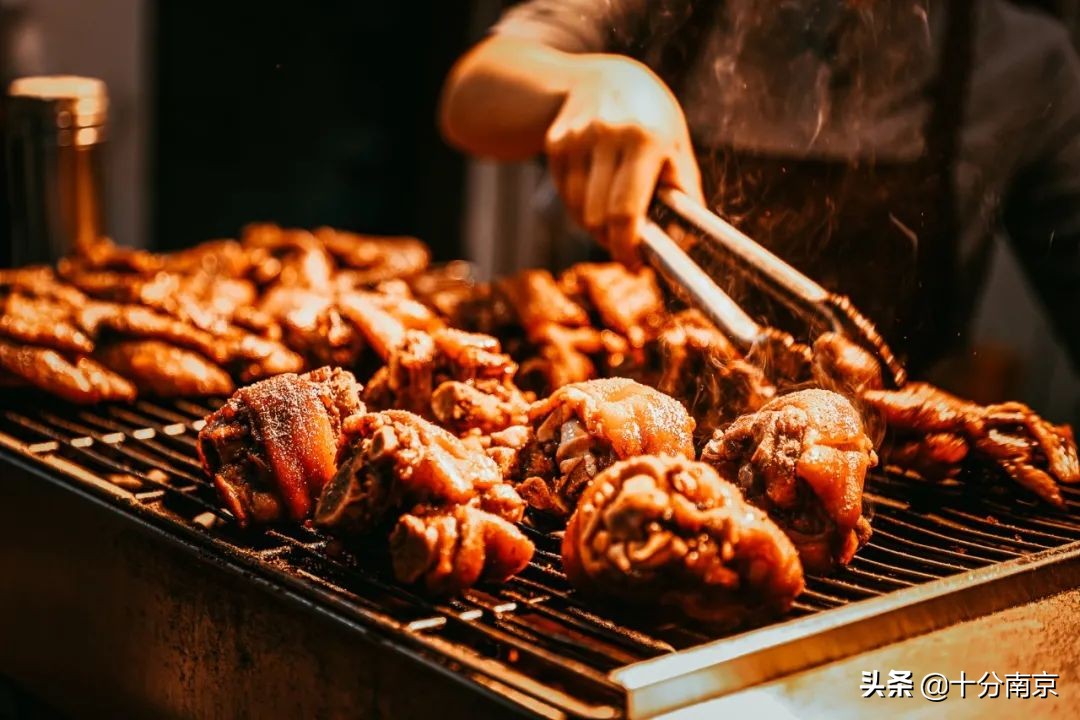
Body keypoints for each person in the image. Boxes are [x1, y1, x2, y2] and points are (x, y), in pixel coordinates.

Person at [439, 0, 1080, 376]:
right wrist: (593, 80)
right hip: (621, 421)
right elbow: (473, 92)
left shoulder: (1026, 62)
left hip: (900, 490)